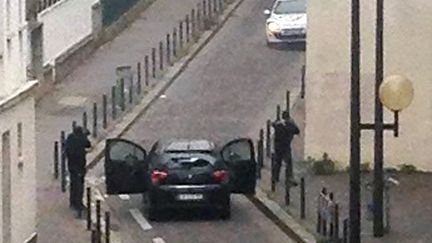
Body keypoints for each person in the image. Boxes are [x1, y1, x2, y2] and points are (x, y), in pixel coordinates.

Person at [64, 126, 91, 212]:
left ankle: (72, 202)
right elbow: (88, 144)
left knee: (73, 184)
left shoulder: (70, 137)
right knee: (79, 186)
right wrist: (85, 135)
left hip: (71, 165)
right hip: (79, 166)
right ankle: (78, 204)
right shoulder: (81, 139)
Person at [272, 110, 300, 182]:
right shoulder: (291, 125)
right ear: (288, 117)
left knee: (277, 162)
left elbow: (273, 124)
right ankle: (289, 178)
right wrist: (293, 122)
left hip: (278, 146)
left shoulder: (278, 125)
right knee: (288, 163)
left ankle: (275, 178)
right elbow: (297, 131)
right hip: (286, 147)